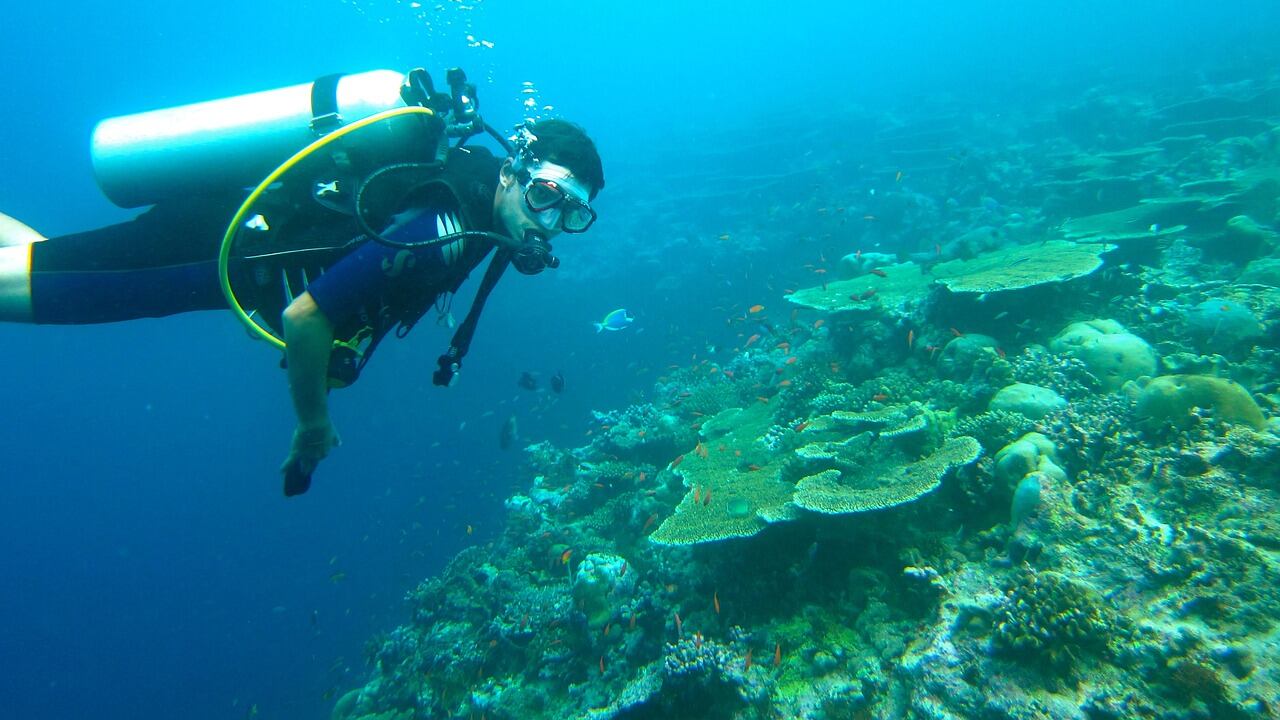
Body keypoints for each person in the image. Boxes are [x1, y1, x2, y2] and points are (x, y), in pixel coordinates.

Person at [0, 85, 605, 496]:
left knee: (43, 267)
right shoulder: (444, 227)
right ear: (512, 171)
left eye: (570, 214)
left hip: (227, 232)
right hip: (215, 251)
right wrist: (312, 423)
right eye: (546, 196)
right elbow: (306, 314)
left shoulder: (480, 209)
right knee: (41, 290)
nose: (548, 223)